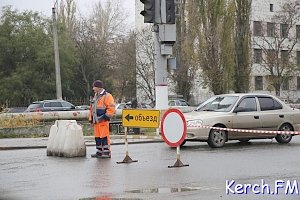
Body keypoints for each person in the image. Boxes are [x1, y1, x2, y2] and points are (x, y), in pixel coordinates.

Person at [89, 80, 116, 158]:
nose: (93, 88)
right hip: (97, 121)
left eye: (94, 87)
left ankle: (106, 153)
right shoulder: (96, 95)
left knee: (104, 137)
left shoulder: (108, 96)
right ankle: (99, 152)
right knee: (97, 137)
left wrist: (106, 116)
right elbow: (92, 108)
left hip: (103, 120)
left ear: (98, 87)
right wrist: (91, 118)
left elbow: (111, 108)